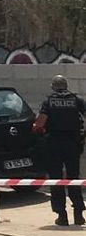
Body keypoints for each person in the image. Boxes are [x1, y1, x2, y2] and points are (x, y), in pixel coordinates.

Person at [33, 75, 85, 226]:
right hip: (73, 145)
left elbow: (40, 124)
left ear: (53, 87)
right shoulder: (77, 100)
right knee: (73, 177)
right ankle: (78, 214)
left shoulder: (49, 101)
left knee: (56, 178)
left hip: (54, 145)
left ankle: (62, 215)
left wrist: (35, 129)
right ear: (66, 86)